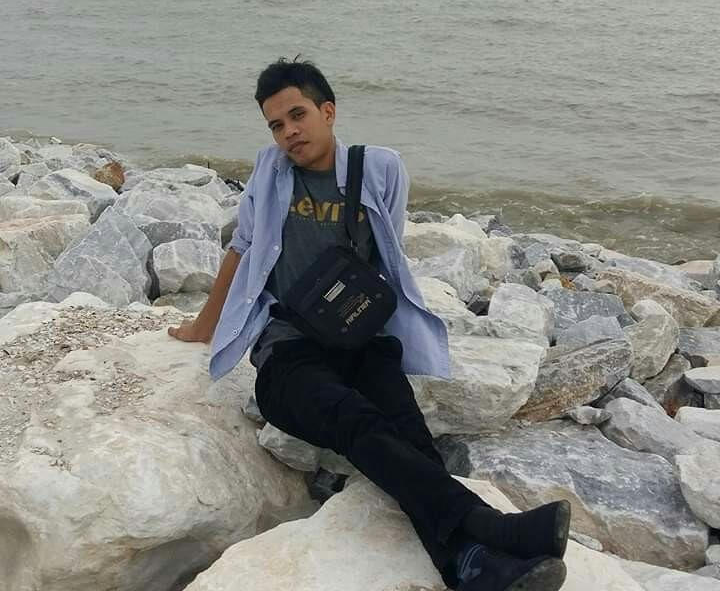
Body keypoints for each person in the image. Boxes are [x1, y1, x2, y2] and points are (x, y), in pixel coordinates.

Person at [168, 57, 571, 590]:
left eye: (297, 115)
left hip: (358, 334)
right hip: (287, 350)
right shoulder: (269, 171)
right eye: (276, 124)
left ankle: (470, 567)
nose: (288, 133)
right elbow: (241, 247)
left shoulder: (379, 169)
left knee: (410, 436)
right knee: (356, 419)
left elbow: (386, 254)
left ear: (328, 111)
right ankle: (493, 528)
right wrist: (203, 328)